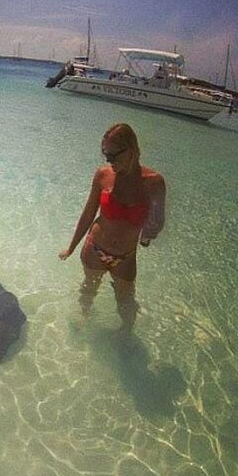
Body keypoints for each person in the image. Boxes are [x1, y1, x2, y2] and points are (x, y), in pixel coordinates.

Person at [59, 123, 166, 330]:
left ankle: (126, 336)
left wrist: (148, 236)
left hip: (125, 257)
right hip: (94, 248)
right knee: (88, 291)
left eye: (113, 155)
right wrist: (71, 248)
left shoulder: (154, 182)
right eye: (105, 155)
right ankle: (82, 322)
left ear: (132, 149)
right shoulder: (103, 175)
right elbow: (88, 213)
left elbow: (158, 220)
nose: (108, 161)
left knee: (126, 303)